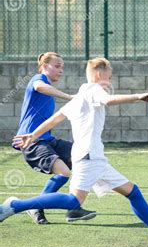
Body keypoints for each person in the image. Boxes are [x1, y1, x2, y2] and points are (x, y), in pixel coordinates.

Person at [3, 57, 148, 247]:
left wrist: (32, 135)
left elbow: (55, 120)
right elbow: (107, 100)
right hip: (89, 157)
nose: (110, 81)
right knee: (73, 201)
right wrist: (139, 96)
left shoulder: (80, 95)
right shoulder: (94, 90)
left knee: (133, 192)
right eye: (109, 76)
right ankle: (15, 205)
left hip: (94, 157)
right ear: (99, 74)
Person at [15, 52, 96, 224]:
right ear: (44, 66)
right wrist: (69, 97)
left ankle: (73, 209)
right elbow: (39, 87)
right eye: (57, 66)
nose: (61, 70)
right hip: (32, 141)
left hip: (48, 140)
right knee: (64, 172)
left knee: (85, 158)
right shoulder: (38, 79)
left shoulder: (48, 87)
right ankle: (35, 206)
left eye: (62, 67)